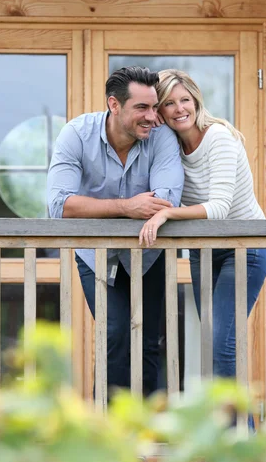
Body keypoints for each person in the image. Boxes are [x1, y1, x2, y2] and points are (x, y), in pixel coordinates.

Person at [47, 66, 184, 397]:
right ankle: (107, 432)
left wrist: (100, 207)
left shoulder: (162, 137)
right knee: (115, 332)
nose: (153, 116)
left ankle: (147, 433)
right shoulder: (77, 134)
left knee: (150, 340)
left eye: (155, 107)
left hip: (150, 252)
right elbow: (59, 206)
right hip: (96, 256)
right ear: (114, 104)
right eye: (142, 108)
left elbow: (165, 201)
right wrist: (127, 207)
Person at [139, 69, 266, 381]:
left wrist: (167, 213)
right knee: (213, 344)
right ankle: (231, 427)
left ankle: (240, 431)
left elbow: (220, 207)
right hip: (203, 252)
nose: (179, 108)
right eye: (169, 103)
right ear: (160, 111)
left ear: (196, 102)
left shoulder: (218, 137)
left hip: (245, 249)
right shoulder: (168, 147)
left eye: (185, 100)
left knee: (222, 346)